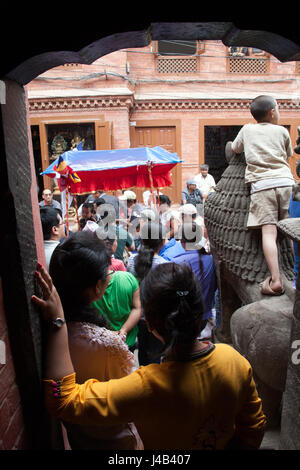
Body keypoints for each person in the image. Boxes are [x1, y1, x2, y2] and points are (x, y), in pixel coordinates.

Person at [33, 262, 266, 450]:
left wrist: (58, 322)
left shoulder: (146, 387)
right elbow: (254, 428)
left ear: (151, 324)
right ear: (199, 311)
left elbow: (62, 400)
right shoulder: (234, 361)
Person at [42, 231, 142, 450]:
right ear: (97, 287)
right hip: (114, 440)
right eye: (107, 274)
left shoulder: (49, 331)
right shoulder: (107, 346)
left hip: (78, 436)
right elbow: (130, 399)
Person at [228, 95, 294, 296]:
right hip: (285, 182)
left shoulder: (247, 129)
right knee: (290, 229)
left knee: (269, 232)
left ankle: (275, 280)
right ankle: (293, 272)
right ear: (273, 112)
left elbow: (234, 148)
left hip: (262, 185)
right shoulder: (282, 131)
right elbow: (288, 153)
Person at [128, 222, 168, 365]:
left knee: (143, 352)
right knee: (154, 355)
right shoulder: (164, 264)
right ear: (162, 242)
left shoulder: (132, 260)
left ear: (142, 241)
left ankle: (143, 379)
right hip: (156, 317)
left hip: (137, 317)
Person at [173, 222, 217, 340]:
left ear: (182, 241)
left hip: (183, 317)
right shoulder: (212, 260)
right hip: (204, 316)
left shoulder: (177, 262)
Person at [93, 268, 142, 353]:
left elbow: (138, 308)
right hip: (124, 341)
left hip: (98, 343)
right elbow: (137, 307)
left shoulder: (85, 287)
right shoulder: (127, 278)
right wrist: (124, 330)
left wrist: (123, 330)